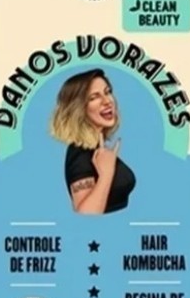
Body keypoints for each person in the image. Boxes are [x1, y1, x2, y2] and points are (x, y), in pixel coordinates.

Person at [50, 69, 136, 214]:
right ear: (78, 108)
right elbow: (86, 214)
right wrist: (106, 174)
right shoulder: (80, 153)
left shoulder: (95, 148)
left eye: (107, 92)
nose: (107, 101)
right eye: (94, 97)